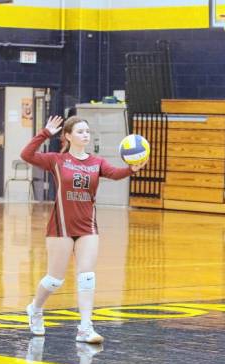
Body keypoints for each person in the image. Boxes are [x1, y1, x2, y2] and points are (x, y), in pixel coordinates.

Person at [21, 115, 146, 344]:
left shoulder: (96, 162)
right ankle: (36, 309)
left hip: (87, 226)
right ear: (68, 136)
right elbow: (26, 155)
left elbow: (115, 174)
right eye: (80, 131)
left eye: (87, 131)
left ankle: (85, 327)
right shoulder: (56, 160)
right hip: (61, 226)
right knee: (54, 280)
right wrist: (45, 133)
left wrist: (132, 169)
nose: (85, 135)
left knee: (87, 276)